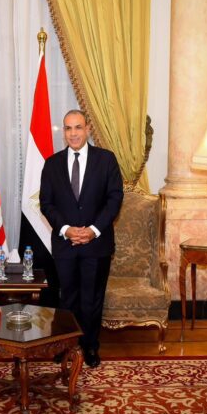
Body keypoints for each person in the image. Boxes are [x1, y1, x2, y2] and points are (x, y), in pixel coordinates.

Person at [39, 110, 123, 368]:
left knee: (92, 299)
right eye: (68, 128)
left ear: (87, 129)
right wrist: (66, 229)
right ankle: (65, 345)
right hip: (65, 244)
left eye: (78, 127)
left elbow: (114, 198)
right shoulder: (52, 163)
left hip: (97, 244)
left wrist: (92, 230)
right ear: (63, 132)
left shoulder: (106, 159)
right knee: (67, 299)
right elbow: (46, 202)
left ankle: (90, 346)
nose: (73, 133)